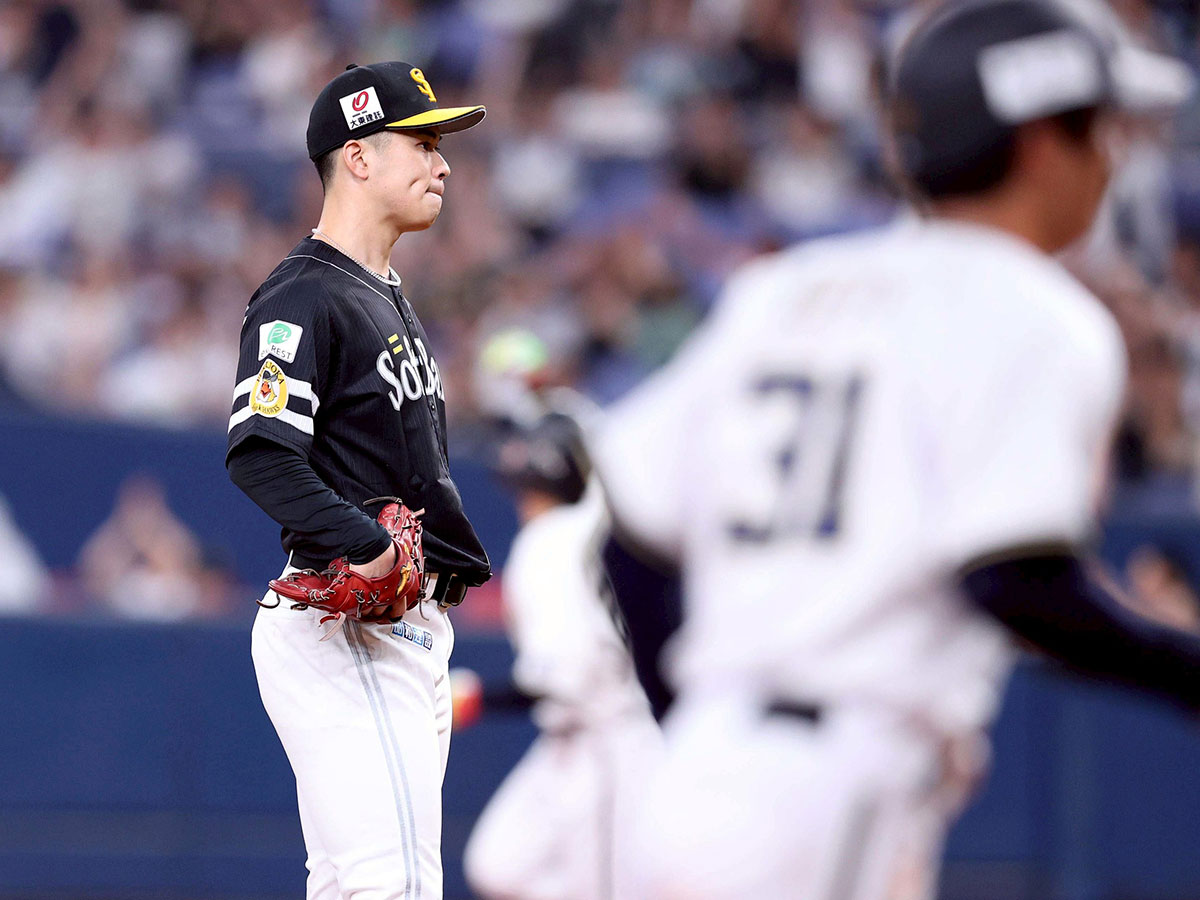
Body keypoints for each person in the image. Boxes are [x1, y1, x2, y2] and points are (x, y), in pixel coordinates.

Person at [593, 2, 1200, 898]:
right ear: (1040, 145)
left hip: (703, 774)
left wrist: (699, 719)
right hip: (837, 781)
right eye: (1099, 129)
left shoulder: (788, 288)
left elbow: (631, 536)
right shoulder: (1038, 314)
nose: (1112, 158)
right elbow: (1015, 578)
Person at [225, 61, 491, 900]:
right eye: (422, 142)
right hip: (356, 627)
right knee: (393, 884)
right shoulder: (302, 294)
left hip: (404, 629)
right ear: (359, 156)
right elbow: (259, 451)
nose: (441, 164)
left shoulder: (380, 291)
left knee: (352, 885)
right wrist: (368, 545)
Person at [461, 406, 659, 900]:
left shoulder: (556, 538)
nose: (523, 503)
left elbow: (560, 676)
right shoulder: (588, 529)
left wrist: (478, 697)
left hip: (607, 739)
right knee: (499, 865)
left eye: (531, 490)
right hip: (571, 740)